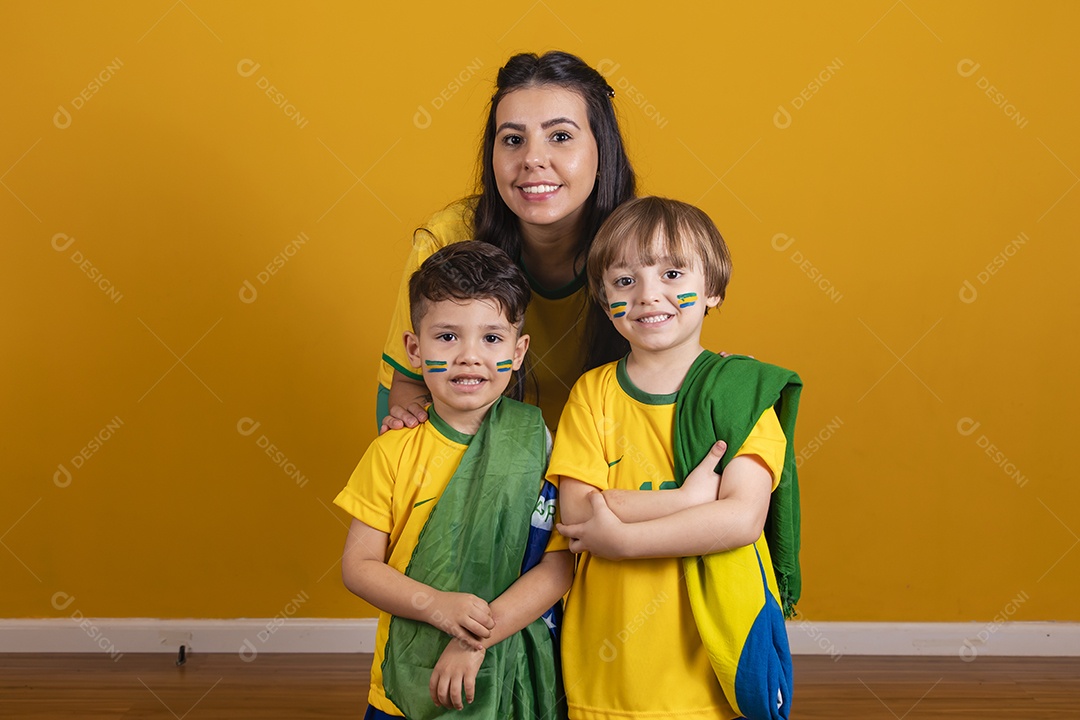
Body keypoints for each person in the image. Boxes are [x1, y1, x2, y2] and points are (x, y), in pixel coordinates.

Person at [549, 197, 803, 720]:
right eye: (625, 281)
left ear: (713, 288)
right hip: (607, 664)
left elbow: (740, 519)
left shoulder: (740, 395)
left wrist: (622, 539)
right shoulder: (593, 393)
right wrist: (688, 500)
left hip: (706, 669)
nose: (648, 295)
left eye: (671, 273)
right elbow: (575, 514)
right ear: (605, 300)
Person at [336, 241, 573, 719]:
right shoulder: (392, 451)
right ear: (414, 349)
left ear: (519, 351)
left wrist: (476, 637)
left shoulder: (540, 445)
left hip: (514, 673)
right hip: (409, 674)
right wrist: (436, 606)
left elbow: (559, 565)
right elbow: (359, 566)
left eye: (492, 338)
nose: (469, 356)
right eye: (447, 336)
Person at [377, 50, 635, 434]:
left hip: (608, 452)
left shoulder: (648, 245)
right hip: (484, 450)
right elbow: (408, 387)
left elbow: (676, 372)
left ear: (603, 149)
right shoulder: (446, 239)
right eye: (513, 139)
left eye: (560, 136)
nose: (533, 159)